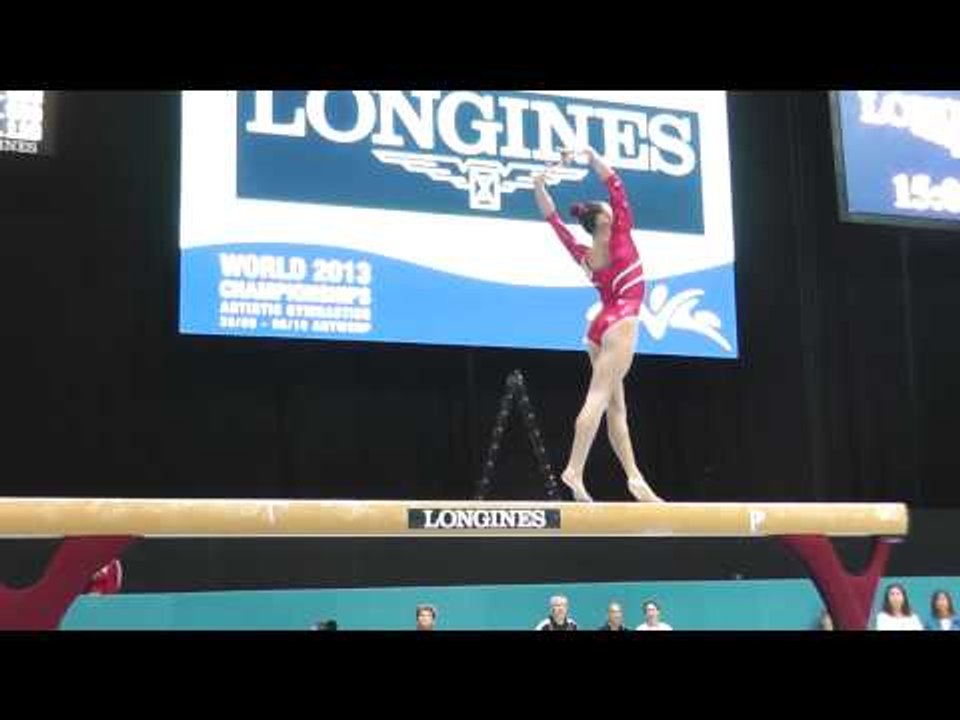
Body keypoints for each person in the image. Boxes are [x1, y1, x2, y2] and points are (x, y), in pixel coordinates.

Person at [533, 146, 661, 503]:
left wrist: (539, 186)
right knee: (599, 397)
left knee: (616, 407)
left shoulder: (585, 255)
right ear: (605, 221)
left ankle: (634, 478)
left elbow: (555, 223)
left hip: (599, 325)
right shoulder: (620, 234)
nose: (611, 209)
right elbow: (615, 184)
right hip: (621, 320)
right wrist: (589, 155)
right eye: (607, 211)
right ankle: (573, 469)